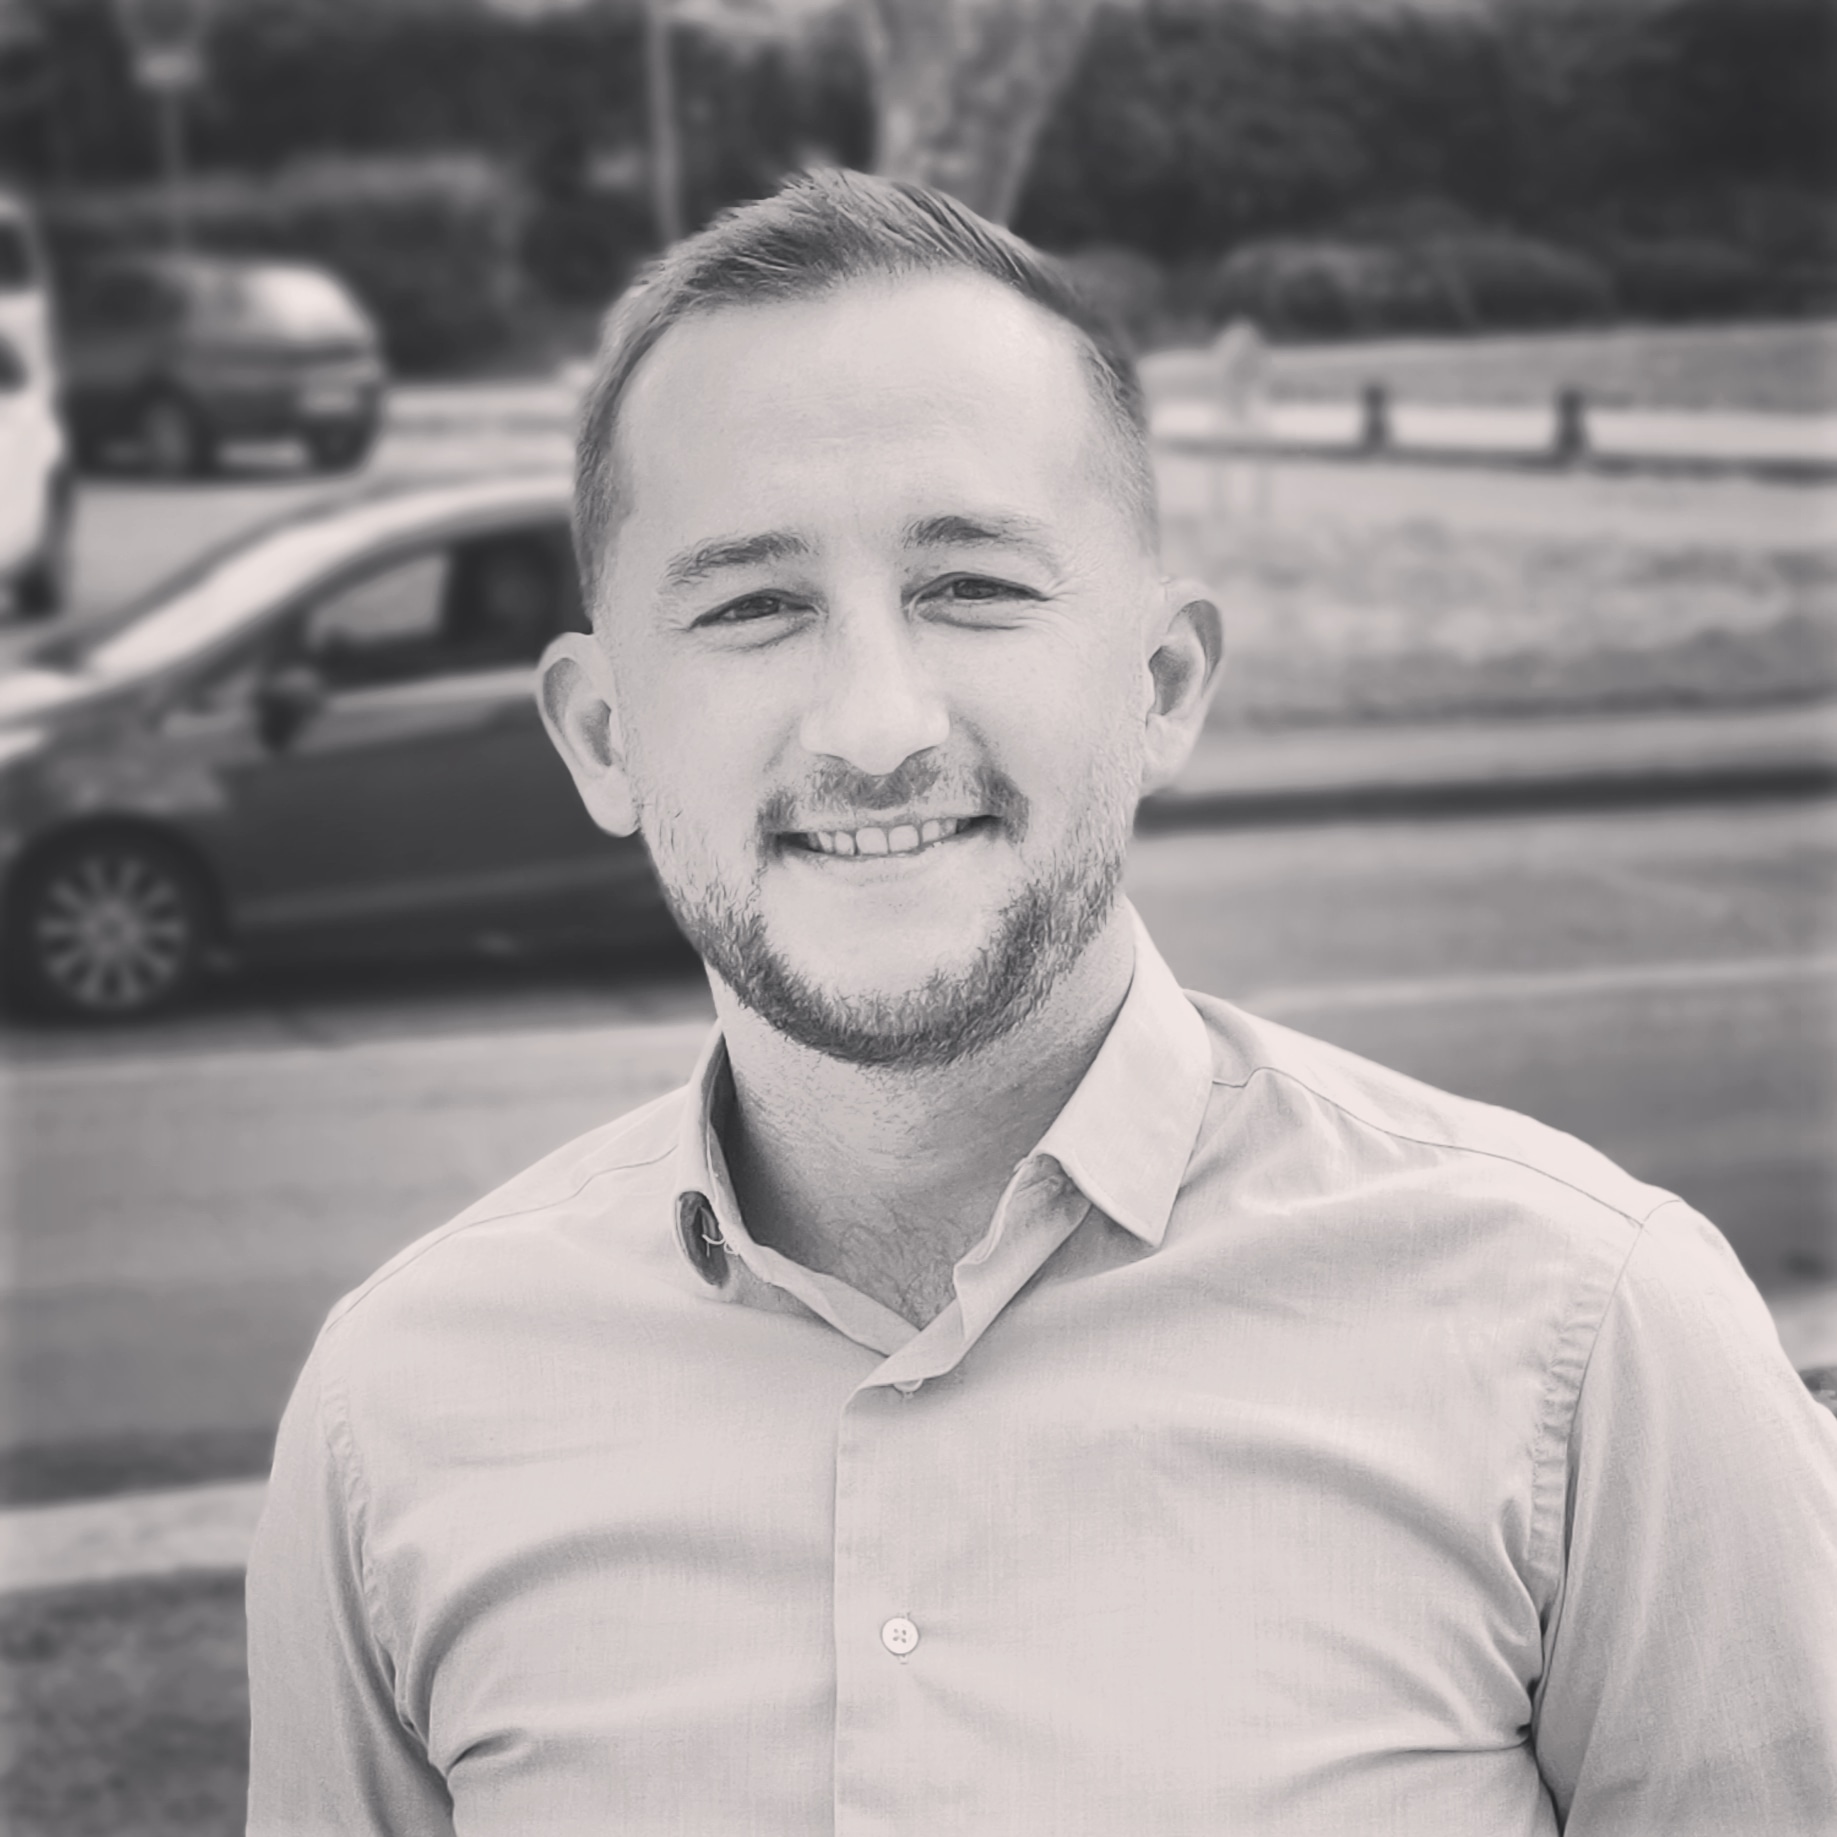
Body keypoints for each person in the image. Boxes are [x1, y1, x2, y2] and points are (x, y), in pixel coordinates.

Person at [245, 170, 1837, 1835]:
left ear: (1161, 685)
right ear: (601, 736)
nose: (874, 724)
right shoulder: (391, 1418)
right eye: (751, 604)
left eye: (973, 586)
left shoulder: (1592, 1341)